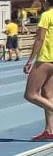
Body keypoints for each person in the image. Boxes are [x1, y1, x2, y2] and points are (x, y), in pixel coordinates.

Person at [27, 12, 53, 140]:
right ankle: (49, 129)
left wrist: (30, 59)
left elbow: (40, 39)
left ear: (47, 1)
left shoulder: (47, 15)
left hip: (45, 59)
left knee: (30, 94)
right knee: (47, 95)